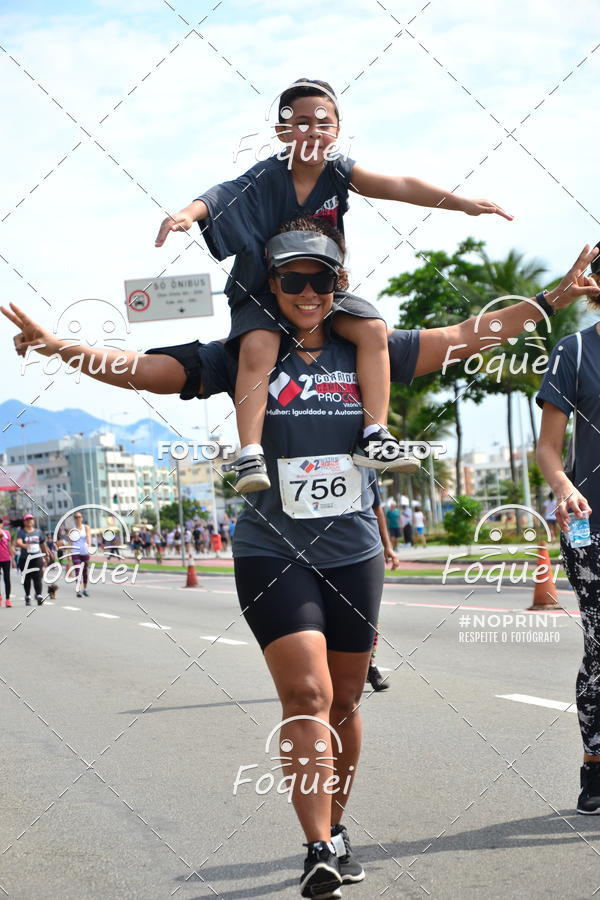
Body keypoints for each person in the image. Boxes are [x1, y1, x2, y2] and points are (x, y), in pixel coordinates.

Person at [3, 223, 593, 899]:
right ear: (273, 285)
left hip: (353, 552)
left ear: (338, 283)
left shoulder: (368, 346)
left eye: (321, 279)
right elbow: (144, 369)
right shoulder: (245, 352)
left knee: (344, 699)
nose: (308, 293)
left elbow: (465, 336)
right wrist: (60, 349)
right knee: (307, 695)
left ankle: (336, 830)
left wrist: (550, 300)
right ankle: (315, 845)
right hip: (271, 549)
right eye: (293, 280)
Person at [155, 78, 511, 494]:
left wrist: (462, 203)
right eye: (302, 122)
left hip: (323, 288)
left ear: (338, 131)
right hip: (263, 289)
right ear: (282, 131)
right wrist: (186, 213)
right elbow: (220, 196)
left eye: (324, 123)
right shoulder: (266, 176)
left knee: (373, 328)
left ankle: (375, 435)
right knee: (258, 347)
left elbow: (398, 185)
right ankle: (250, 452)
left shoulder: (339, 172)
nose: (313, 131)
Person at [536, 245, 600, 815]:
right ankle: (595, 765)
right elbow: (548, 448)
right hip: (587, 524)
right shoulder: (575, 352)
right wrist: (563, 487)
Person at [369, 480, 401, 692]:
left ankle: (369, 665)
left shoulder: (361, 459)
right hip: (309, 553)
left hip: (359, 551)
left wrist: (387, 546)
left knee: (369, 617)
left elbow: (376, 507)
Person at [15, 513, 48, 606]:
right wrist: (25, 545)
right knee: (27, 578)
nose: (29, 521)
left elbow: (42, 544)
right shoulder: (21, 532)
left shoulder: (38, 532)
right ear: (24, 521)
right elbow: (18, 542)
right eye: (27, 519)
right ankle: (28, 596)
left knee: (37, 577)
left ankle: (39, 595)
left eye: (31, 519)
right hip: (25, 559)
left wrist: (46, 556)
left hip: (37, 558)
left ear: (33, 521)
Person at [69, 511, 93, 598]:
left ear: (82, 518)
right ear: (74, 519)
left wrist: (89, 547)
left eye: (79, 517)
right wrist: (68, 555)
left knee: (85, 572)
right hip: (75, 552)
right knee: (78, 571)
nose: (78, 518)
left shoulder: (86, 527)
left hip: (84, 551)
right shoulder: (72, 529)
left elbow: (89, 538)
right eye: (76, 517)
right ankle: (78, 590)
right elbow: (70, 542)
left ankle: (85, 589)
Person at [0, 525, 14, 607]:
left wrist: (13, 558)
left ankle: (8, 599)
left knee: (7, 579)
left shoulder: (6, 533)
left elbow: (9, 545)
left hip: (6, 558)